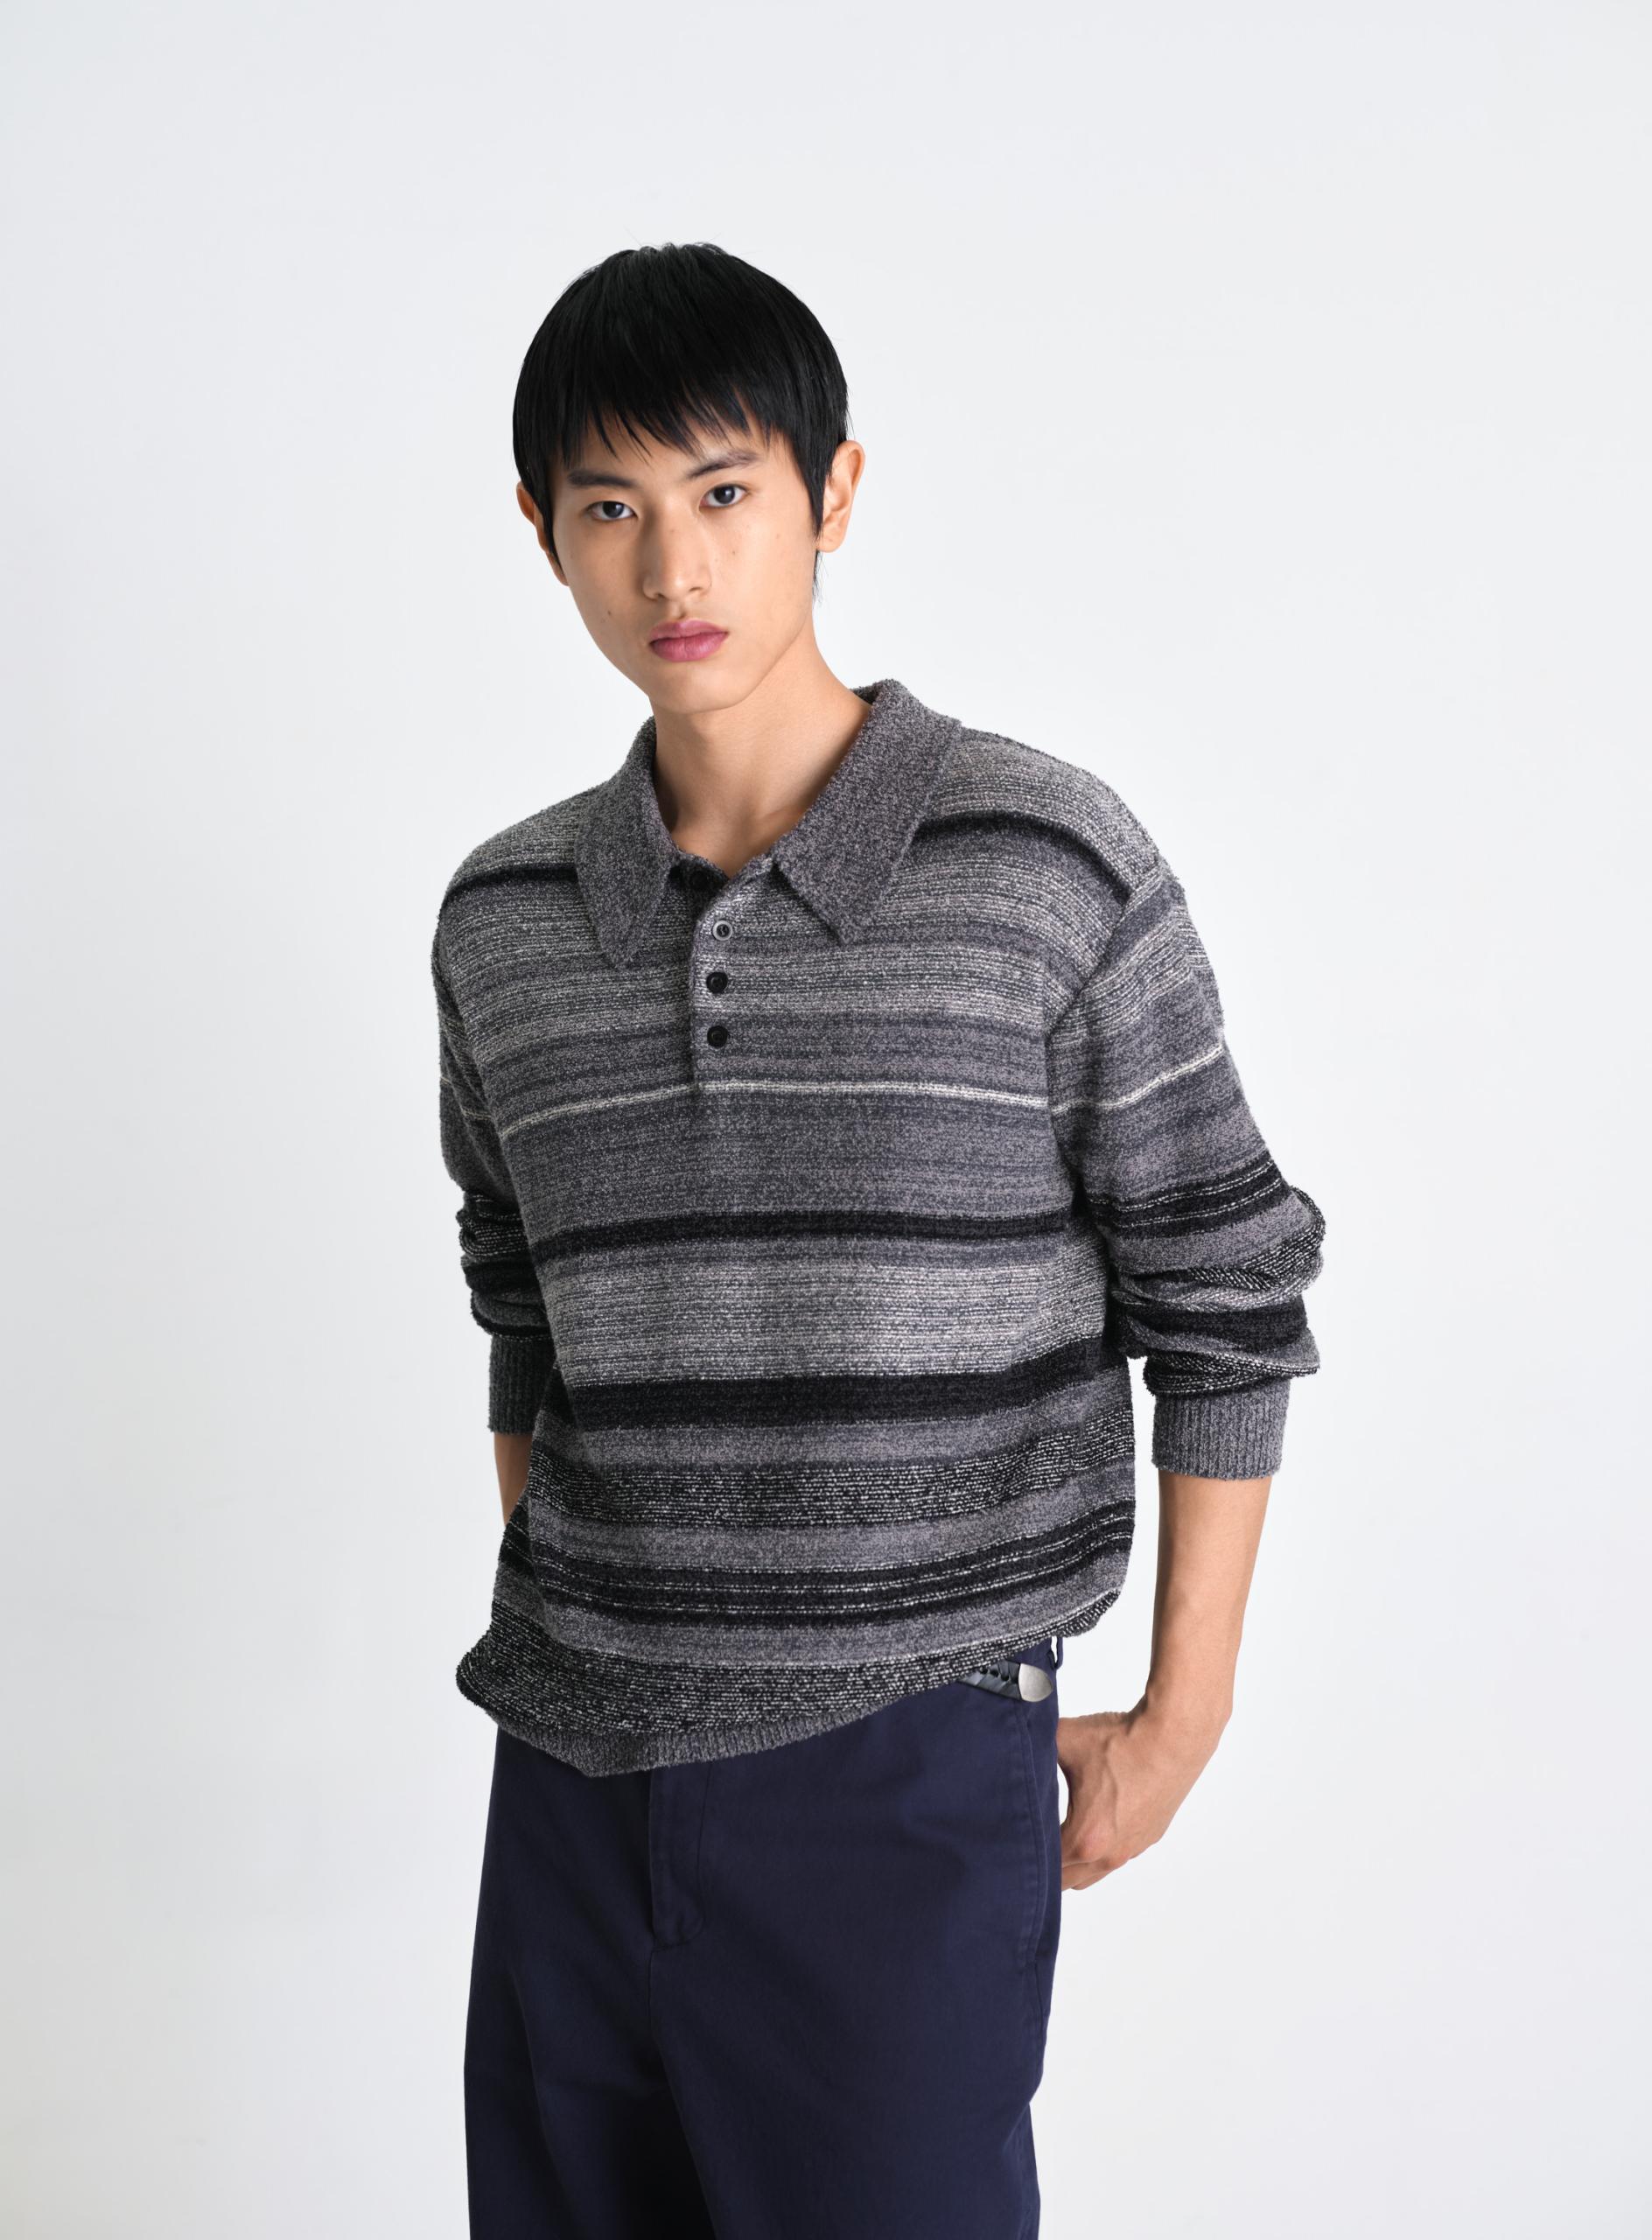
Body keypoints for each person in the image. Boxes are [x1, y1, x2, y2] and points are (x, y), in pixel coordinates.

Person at [431, 240, 1326, 2239]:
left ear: (832, 492)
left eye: (724, 491)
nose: (675, 566)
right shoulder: (504, 920)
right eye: (611, 507)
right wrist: (604, 1608)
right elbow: (523, 1306)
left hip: (900, 1762)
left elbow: (1228, 1298)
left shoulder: (1042, 860)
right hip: (569, 1778)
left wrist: (1182, 1712)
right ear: (542, 531)